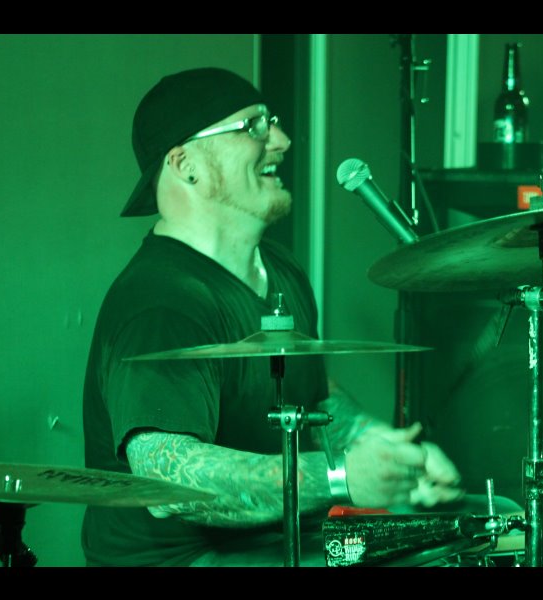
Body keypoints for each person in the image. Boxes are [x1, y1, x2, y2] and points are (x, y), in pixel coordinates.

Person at [82, 67, 470, 568]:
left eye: (275, 123)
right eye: (254, 127)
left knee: (464, 538)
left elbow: (315, 397)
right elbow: (169, 482)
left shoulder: (281, 270)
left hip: (285, 544)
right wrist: (339, 477)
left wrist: (382, 451)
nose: (282, 141)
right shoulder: (159, 300)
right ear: (185, 164)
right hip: (188, 560)